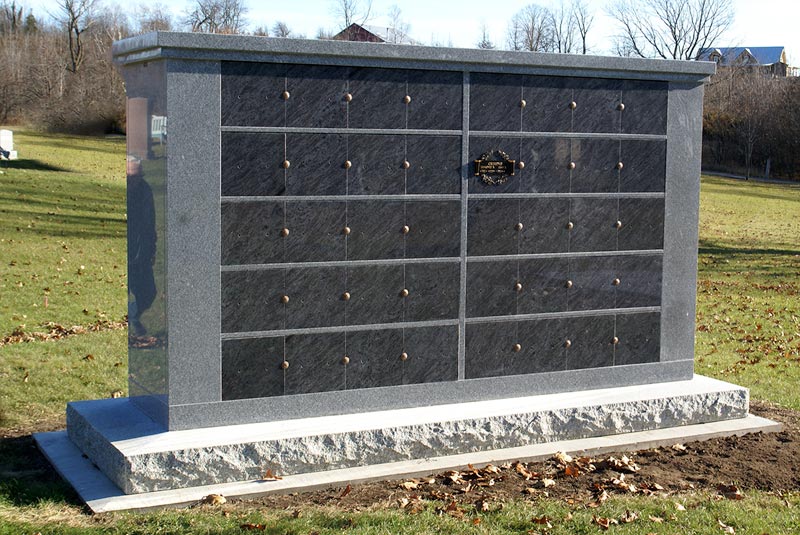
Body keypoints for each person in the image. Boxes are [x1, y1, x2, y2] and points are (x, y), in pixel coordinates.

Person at [127, 157, 157, 336]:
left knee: (148, 293)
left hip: (141, 251)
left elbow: (150, 222)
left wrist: (151, 248)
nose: (134, 181)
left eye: (137, 176)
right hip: (122, 249)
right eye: (129, 176)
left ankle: (132, 315)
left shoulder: (145, 190)